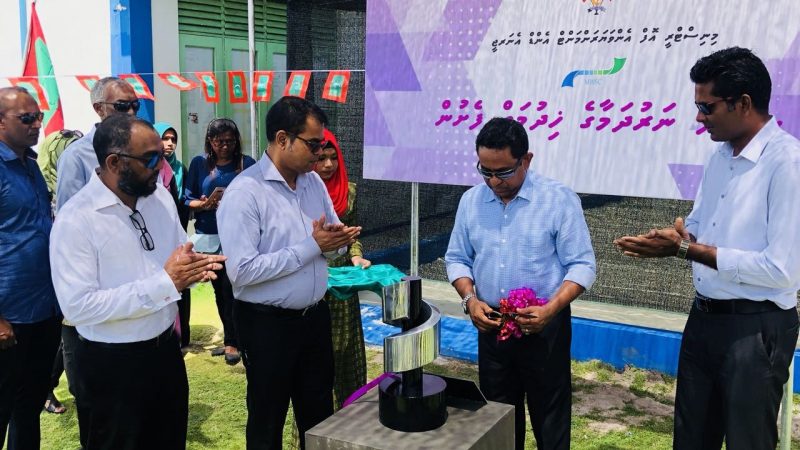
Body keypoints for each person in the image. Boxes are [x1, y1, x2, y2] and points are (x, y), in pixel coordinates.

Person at [613, 47, 800, 450]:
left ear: (743, 103)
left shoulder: (787, 163)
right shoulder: (719, 155)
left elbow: (782, 270)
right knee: (691, 437)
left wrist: (686, 250)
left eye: (706, 107)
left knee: (749, 442)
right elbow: (699, 224)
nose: (699, 118)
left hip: (756, 328)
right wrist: (674, 237)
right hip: (704, 319)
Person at [50, 114, 225, 450]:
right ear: (114, 163)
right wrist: (164, 283)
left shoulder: (159, 197)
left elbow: (179, 252)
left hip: (165, 354)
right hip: (111, 365)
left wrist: (193, 268)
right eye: (151, 158)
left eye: (162, 155)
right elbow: (78, 306)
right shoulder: (76, 220)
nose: (162, 165)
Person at [217, 96, 361, 449]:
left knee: (318, 416)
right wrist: (312, 246)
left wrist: (339, 242)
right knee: (267, 418)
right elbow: (242, 272)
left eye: (322, 144)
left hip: (314, 318)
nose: (320, 154)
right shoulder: (245, 193)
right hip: (267, 325)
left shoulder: (312, 183)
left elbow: (331, 239)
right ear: (283, 139)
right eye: (313, 144)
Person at [445, 117, 596, 450]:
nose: (493, 181)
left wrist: (551, 310)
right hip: (491, 324)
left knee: (550, 419)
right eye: (485, 171)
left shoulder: (558, 200)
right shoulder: (471, 202)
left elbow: (582, 265)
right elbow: (456, 258)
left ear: (526, 160)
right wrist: (470, 300)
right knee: (497, 419)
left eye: (503, 172)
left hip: (544, 325)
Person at [52, 76, 139, 447]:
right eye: (122, 106)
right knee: (95, 404)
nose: (131, 112)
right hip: (94, 293)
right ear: (98, 109)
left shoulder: (137, 149)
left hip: (132, 290)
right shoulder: (78, 156)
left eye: (135, 105)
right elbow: (71, 223)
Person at [0, 86, 62, 449]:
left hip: (44, 309)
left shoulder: (31, 166)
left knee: (29, 406)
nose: (37, 124)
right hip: (10, 315)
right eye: (27, 118)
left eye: (38, 116)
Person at [185, 118, 255, 365]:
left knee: (235, 289)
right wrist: (204, 204)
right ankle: (231, 339)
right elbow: (187, 199)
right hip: (210, 235)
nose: (225, 146)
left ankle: (236, 340)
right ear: (210, 142)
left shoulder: (247, 164)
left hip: (240, 235)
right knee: (220, 290)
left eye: (229, 141)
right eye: (219, 142)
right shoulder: (199, 163)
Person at [314, 129, 370, 409]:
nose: (328, 165)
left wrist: (356, 257)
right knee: (318, 353)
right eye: (321, 157)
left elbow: (352, 236)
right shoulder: (302, 192)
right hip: (312, 282)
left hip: (343, 284)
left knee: (346, 349)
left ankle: (350, 415)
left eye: (333, 157)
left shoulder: (349, 191)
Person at [155, 122, 192, 350]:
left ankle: (183, 335)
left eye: (173, 139)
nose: (169, 143)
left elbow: (183, 203)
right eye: (165, 138)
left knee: (182, 283)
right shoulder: (152, 168)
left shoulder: (178, 169)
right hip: (156, 236)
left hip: (176, 232)